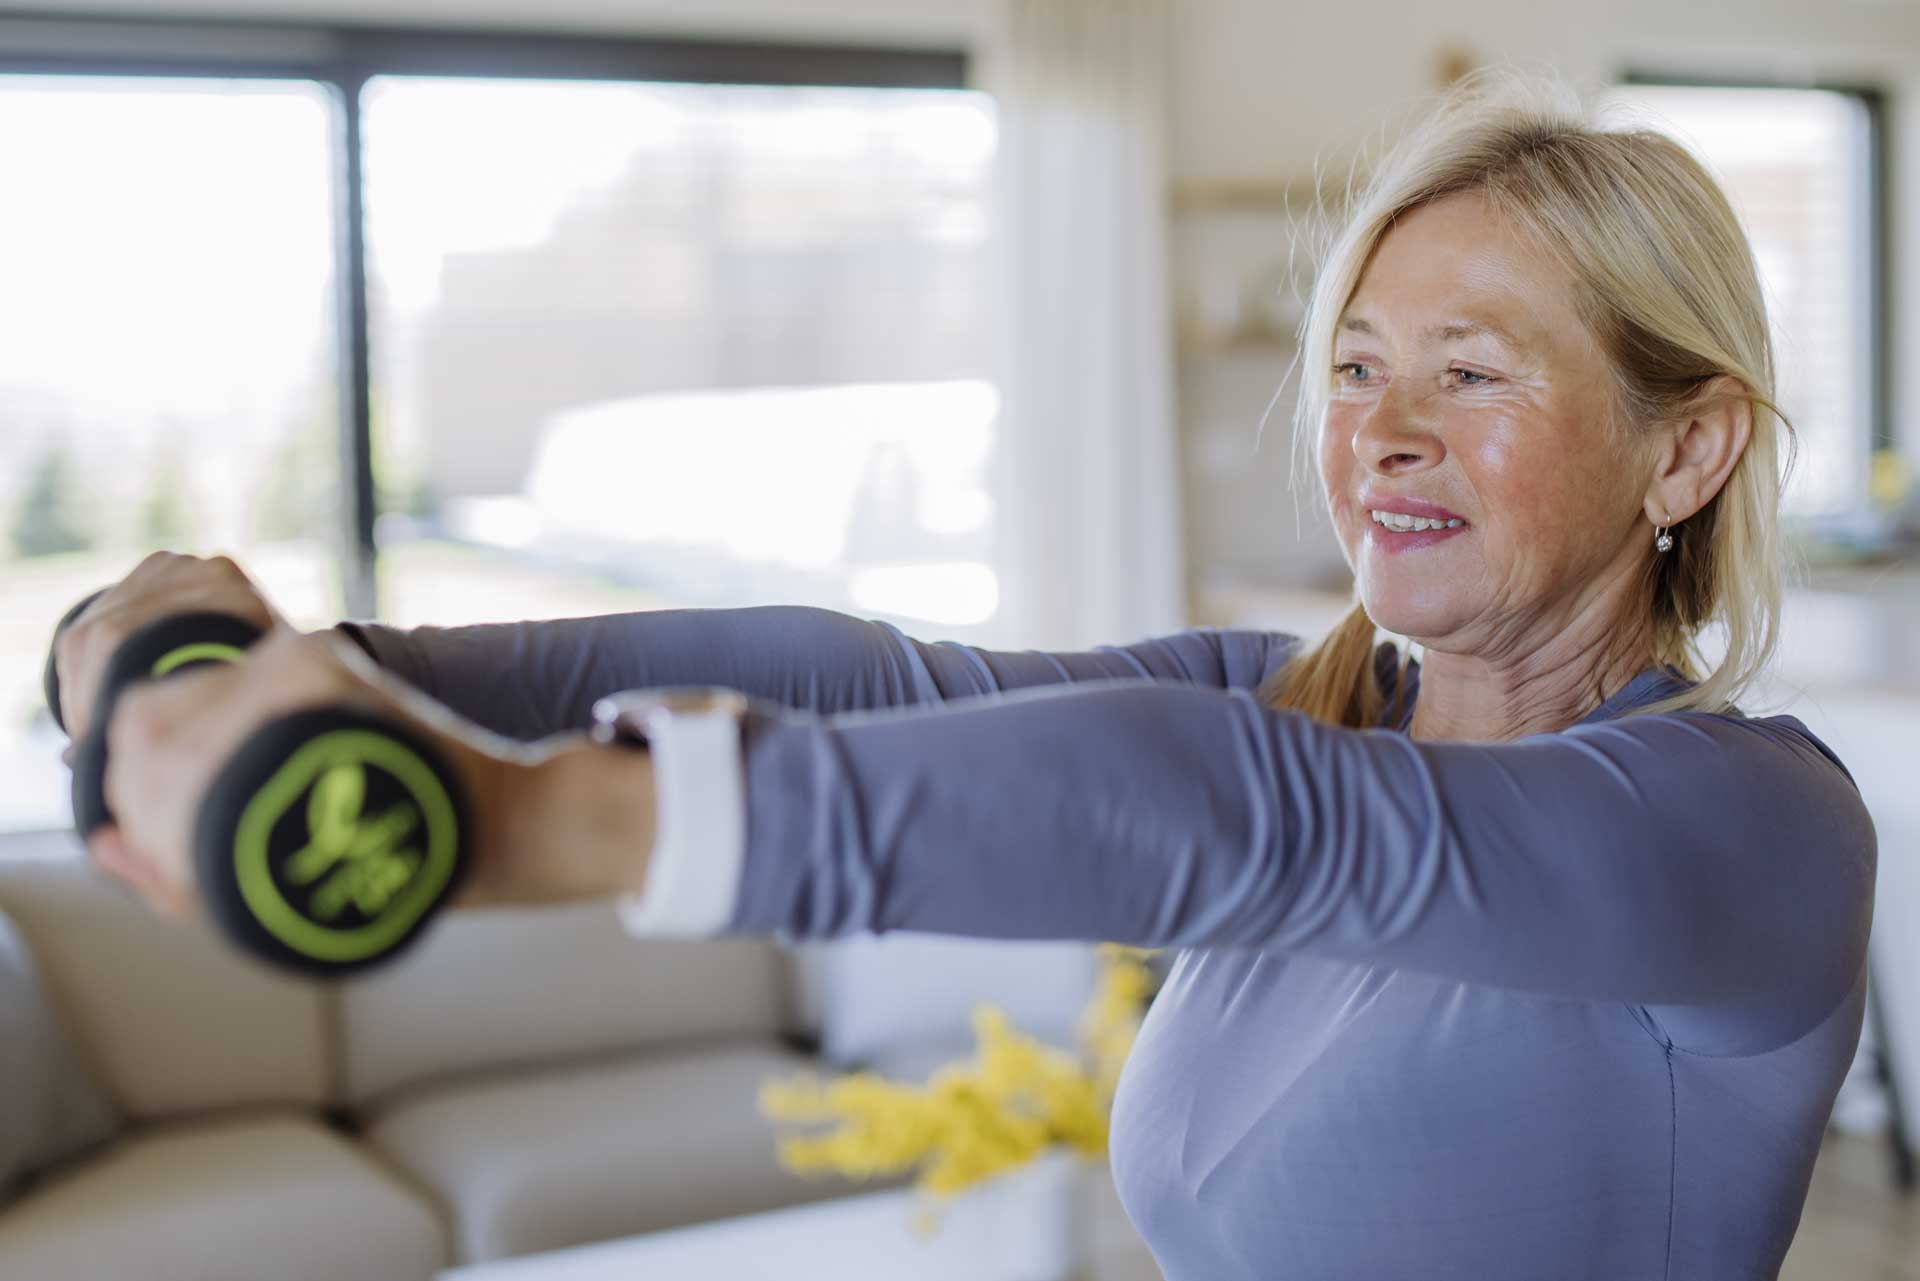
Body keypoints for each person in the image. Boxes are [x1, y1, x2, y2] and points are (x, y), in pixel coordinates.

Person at [50, 71, 1876, 1280]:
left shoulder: (1751, 830)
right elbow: (879, 686)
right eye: (1353, 367)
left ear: (1686, 450)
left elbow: (1254, 828)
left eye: (1471, 373)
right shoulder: (1320, 695)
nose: (1380, 433)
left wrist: (525, 824)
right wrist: (330, 675)